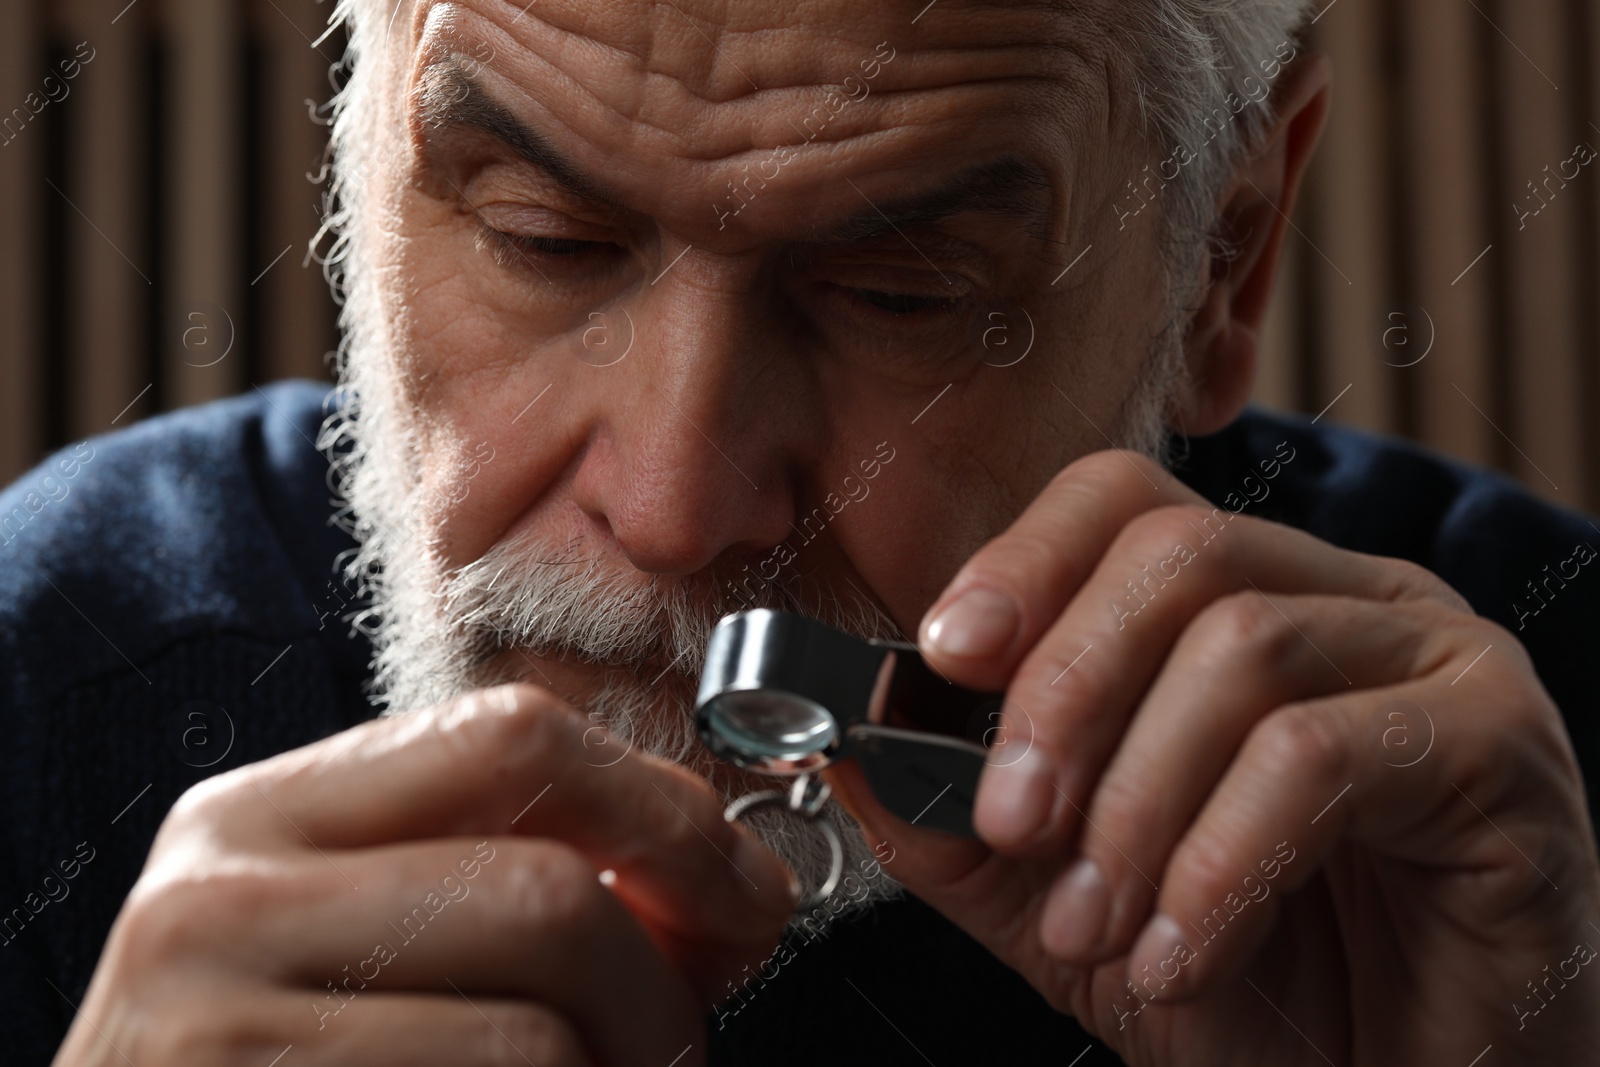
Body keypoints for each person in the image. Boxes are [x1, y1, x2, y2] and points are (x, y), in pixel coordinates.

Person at [6, 0, 1599, 1063]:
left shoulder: (1496, 840)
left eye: (899, 299)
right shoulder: (44, 692)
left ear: (1221, 263)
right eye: (542, 240)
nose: (675, 509)